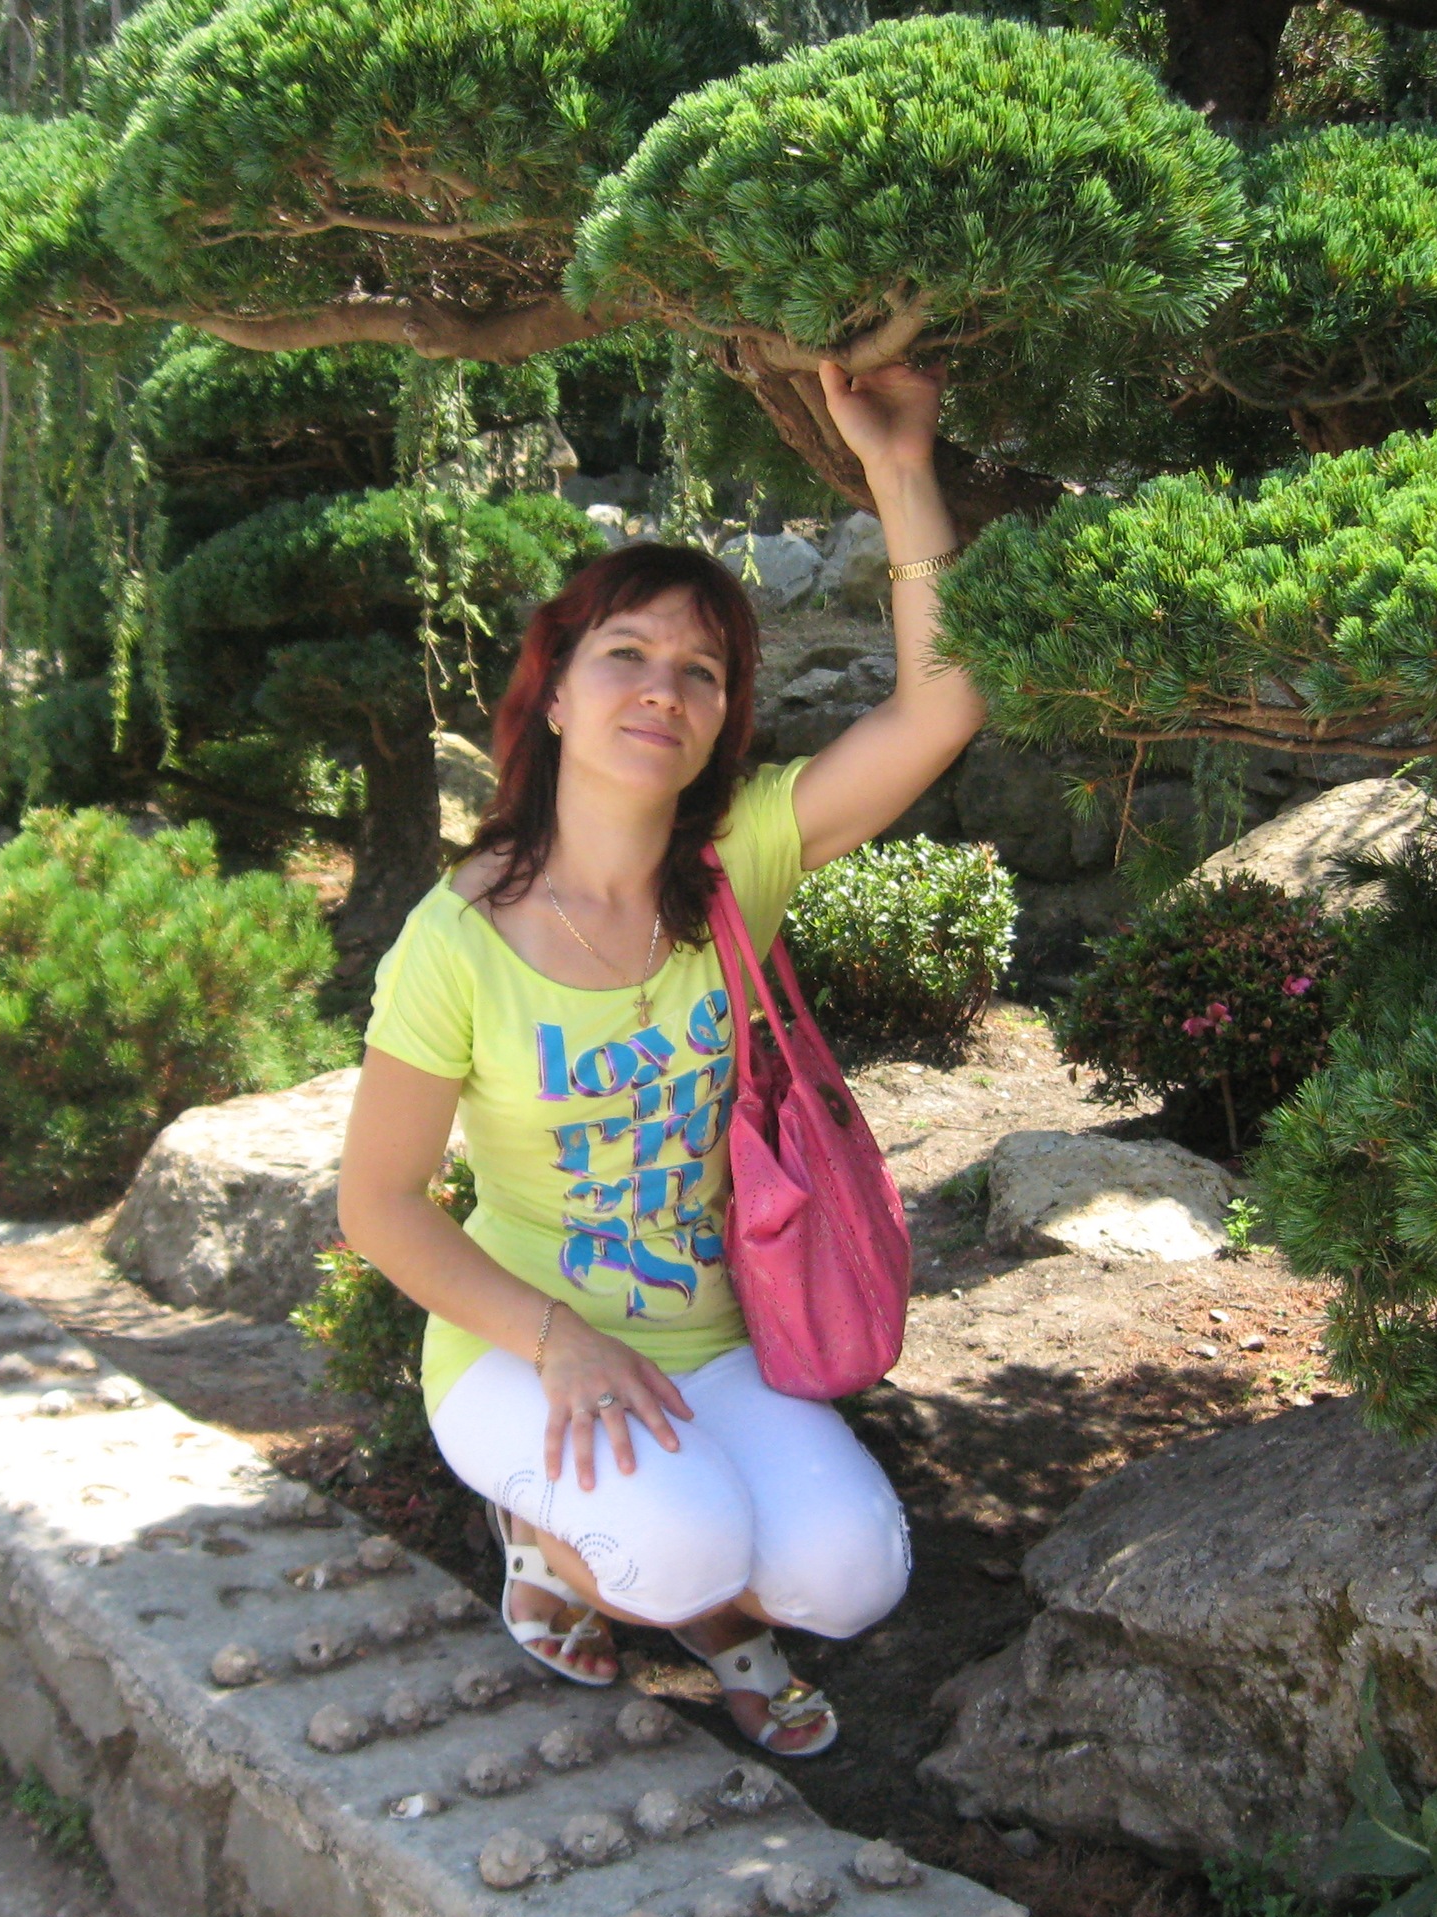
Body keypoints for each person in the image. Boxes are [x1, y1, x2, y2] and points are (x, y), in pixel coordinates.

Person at [337, 359, 984, 1757]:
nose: (662, 690)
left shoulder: (738, 860)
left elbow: (941, 710)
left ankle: (679, 1579)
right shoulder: (458, 940)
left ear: (719, 724)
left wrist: (898, 468)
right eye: (625, 654)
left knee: (854, 1576)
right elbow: (378, 1205)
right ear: (556, 697)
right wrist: (558, 1343)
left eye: (701, 671)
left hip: (717, 1336)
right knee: (680, 1546)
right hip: (519, 1345)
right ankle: (555, 1551)